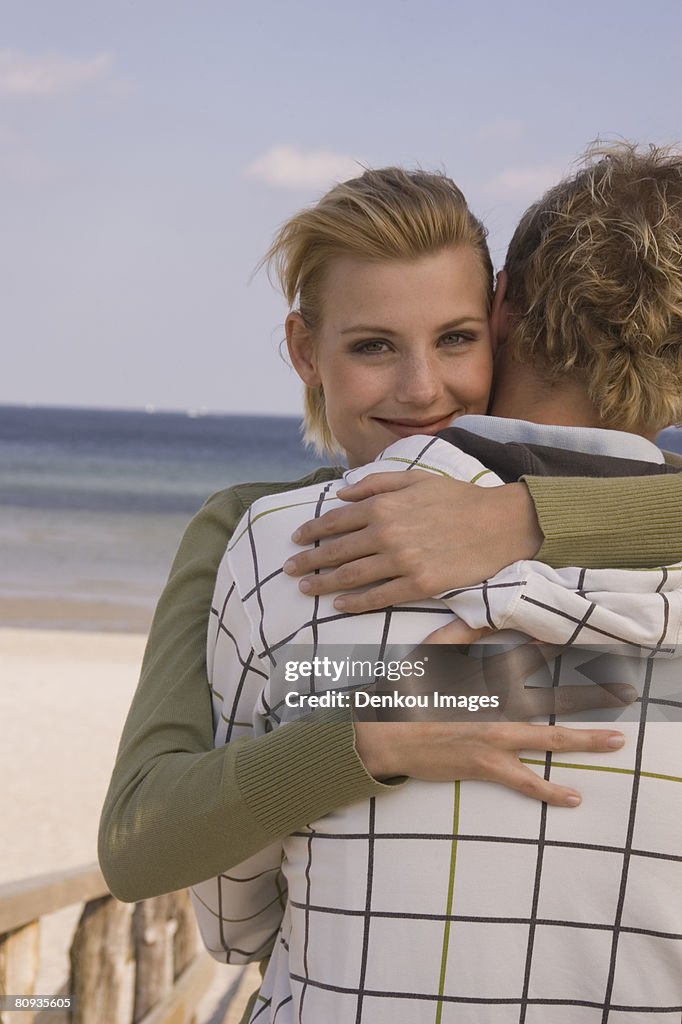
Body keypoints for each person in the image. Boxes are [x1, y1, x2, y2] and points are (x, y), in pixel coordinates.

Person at [99, 166, 682, 909]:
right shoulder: (251, 529)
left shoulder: (620, 488)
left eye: (456, 339)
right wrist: (365, 736)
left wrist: (523, 515)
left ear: (502, 320)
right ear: (307, 352)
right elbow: (136, 846)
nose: (421, 389)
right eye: (374, 346)